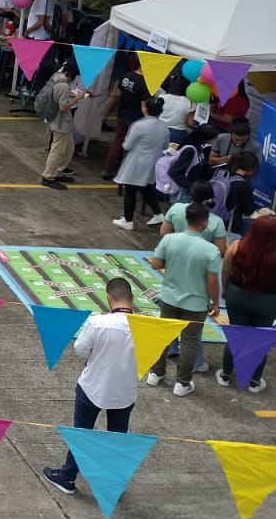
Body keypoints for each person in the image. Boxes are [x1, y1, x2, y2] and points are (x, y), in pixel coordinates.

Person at [42, 278, 140, 495]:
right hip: (125, 391)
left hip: (93, 386)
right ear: (132, 299)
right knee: (117, 437)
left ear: (108, 298)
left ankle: (68, 476)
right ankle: (112, 483)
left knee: (82, 432)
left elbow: (81, 349)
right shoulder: (146, 327)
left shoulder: (97, 323)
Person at [144, 203, 223, 396]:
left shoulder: (169, 239)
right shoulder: (210, 250)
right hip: (195, 304)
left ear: (186, 218)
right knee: (189, 341)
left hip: (169, 298)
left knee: (163, 336)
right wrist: (215, 303)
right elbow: (213, 282)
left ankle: (156, 373)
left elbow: (156, 263)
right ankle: (182, 383)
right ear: (205, 222)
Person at [216, 213, 276, 392]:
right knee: (260, 339)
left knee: (237, 336)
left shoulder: (236, 247)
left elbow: (225, 272)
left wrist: (226, 290)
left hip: (238, 296)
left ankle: (226, 374)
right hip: (268, 302)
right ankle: (255, 381)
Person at [111, 96, 172, 231]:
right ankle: (157, 214)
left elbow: (127, 145)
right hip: (152, 163)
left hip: (137, 162)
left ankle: (128, 220)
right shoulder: (164, 127)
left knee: (131, 190)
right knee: (145, 188)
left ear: (146, 108)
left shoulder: (139, 125)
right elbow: (165, 145)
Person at [101, 55, 148, 179]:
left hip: (123, 113)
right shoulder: (145, 83)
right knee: (131, 146)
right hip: (135, 118)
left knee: (117, 141)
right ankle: (123, 173)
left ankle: (107, 168)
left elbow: (119, 93)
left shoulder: (127, 75)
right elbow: (144, 106)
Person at [40, 62, 83, 191]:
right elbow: (63, 107)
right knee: (58, 151)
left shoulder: (56, 77)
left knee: (68, 148)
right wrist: (78, 98)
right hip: (61, 122)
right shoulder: (64, 86)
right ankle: (48, 176)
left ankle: (57, 171)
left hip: (56, 120)